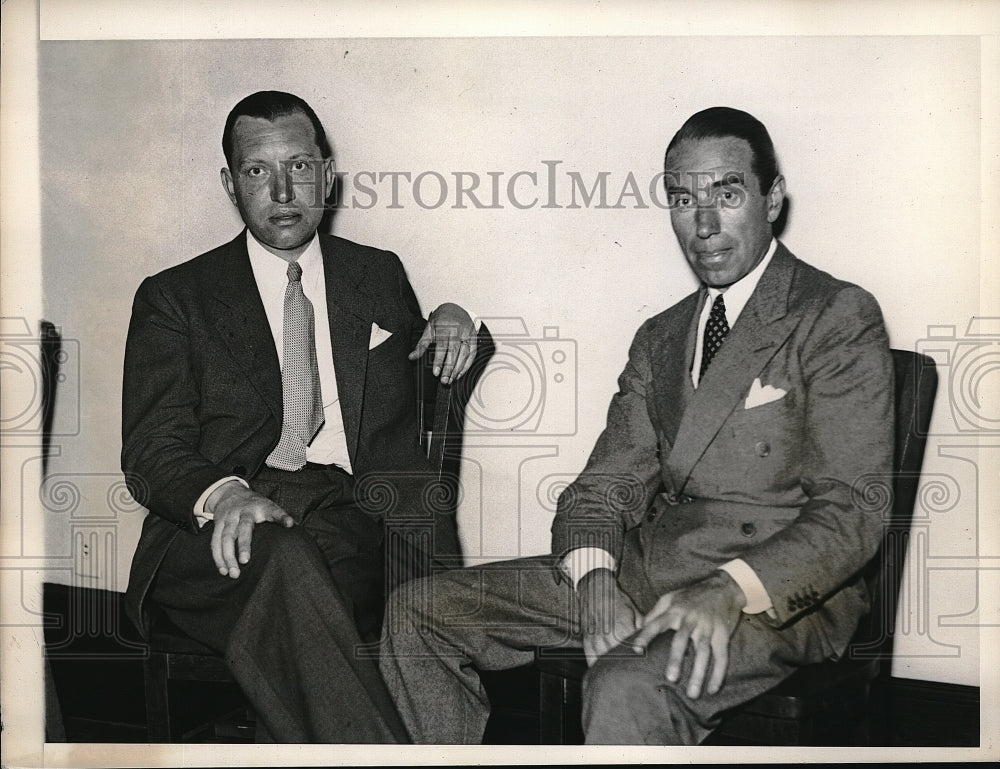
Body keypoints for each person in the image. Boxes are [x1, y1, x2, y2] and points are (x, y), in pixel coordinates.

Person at [378, 107, 895, 745]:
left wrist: (729, 590)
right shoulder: (662, 336)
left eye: (727, 194)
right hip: (649, 571)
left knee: (625, 683)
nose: (703, 226)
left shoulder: (835, 314)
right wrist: (595, 577)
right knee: (418, 612)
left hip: (773, 596)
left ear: (773, 199)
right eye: (684, 199)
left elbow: (854, 512)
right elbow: (601, 487)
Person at [121, 90, 479, 743]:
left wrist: (448, 317)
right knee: (287, 559)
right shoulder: (175, 297)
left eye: (300, 166)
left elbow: (403, 405)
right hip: (213, 533)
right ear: (231, 184)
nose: (284, 189)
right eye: (258, 170)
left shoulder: (376, 275)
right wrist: (226, 493)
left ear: (327, 172)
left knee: (323, 591)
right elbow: (151, 451)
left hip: (347, 518)